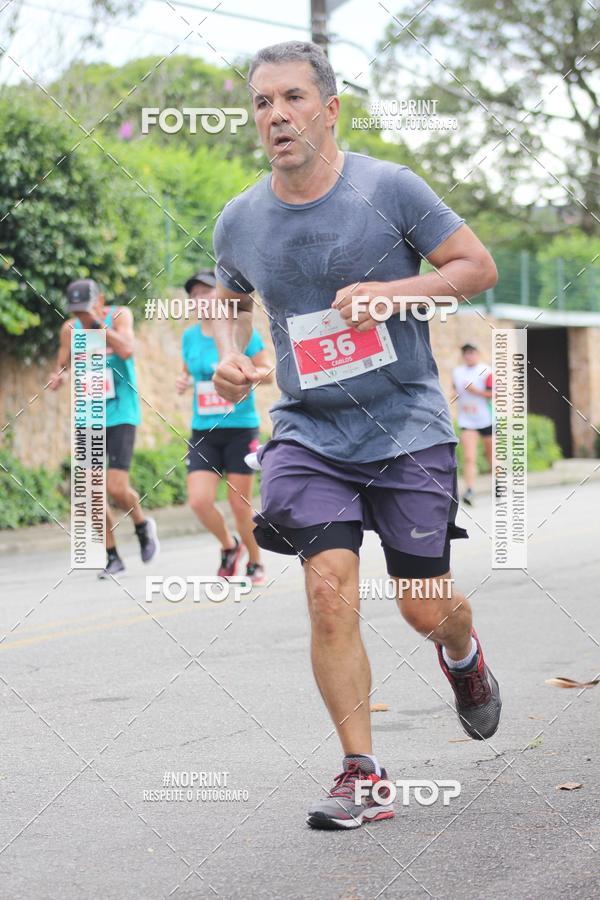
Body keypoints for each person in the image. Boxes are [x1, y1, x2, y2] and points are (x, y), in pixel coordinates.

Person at [210, 41, 501, 830]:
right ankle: (362, 774)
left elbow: (475, 267)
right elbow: (226, 299)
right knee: (328, 592)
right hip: (307, 432)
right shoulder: (240, 218)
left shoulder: (390, 188)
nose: (278, 116)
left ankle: (464, 655)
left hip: (406, 423)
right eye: (264, 102)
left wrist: (396, 293)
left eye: (294, 99)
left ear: (329, 109)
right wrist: (234, 364)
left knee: (423, 607)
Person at [49, 278, 159, 577]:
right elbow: (63, 362)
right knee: (89, 490)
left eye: (85, 310)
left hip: (122, 413)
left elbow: (126, 350)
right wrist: (58, 376)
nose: (81, 318)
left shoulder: (120, 315)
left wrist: (100, 327)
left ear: (99, 302)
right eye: (76, 312)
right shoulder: (70, 330)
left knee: (116, 488)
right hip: (88, 416)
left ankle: (141, 524)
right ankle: (112, 556)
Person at [176, 270, 273, 584]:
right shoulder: (190, 337)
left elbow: (268, 370)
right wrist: (184, 381)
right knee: (199, 501)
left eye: (206, 293)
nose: (199, 300)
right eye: (194, 296)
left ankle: (256, 561)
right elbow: (189, 371)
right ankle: (230, 547)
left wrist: (247, 374)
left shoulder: (240, 331)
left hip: (240, 428)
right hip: (203, 429)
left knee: (238, 503)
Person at [452, 343, 493, 505]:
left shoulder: (486, 371)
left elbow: (493, 394)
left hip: (486, 419)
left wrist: (475, 391)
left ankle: (498, 484)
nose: (469, 356)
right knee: (469, 457)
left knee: (492, 456)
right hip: (467, 419)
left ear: (477, 354)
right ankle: (469, 490)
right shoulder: (457, 372)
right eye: (466, 353)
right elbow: (454, 391)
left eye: (471, 353)